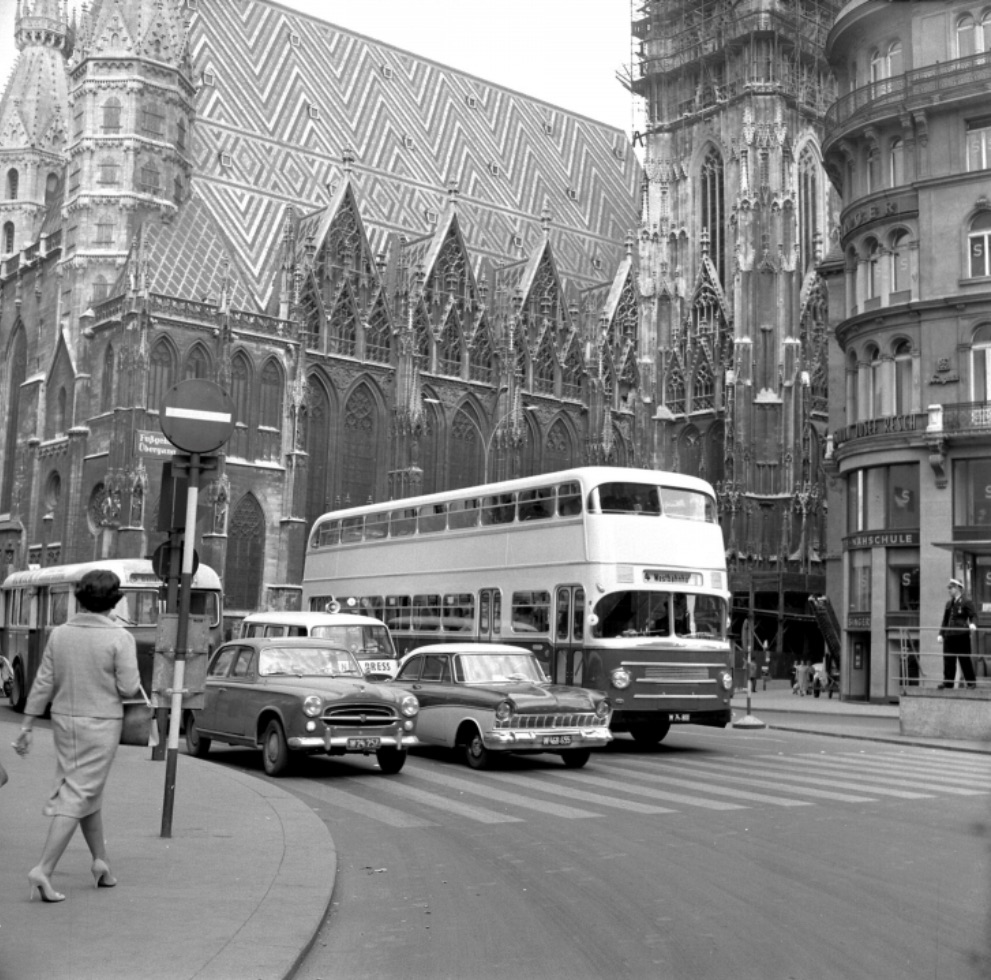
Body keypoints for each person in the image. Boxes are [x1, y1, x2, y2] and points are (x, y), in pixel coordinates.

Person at [13, 569, 141, 903]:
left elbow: (43, 681)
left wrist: (27, 724)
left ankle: (101, 863)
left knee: (86, 790)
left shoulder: (60, 634)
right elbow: (129, 687)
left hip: (63, 722)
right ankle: (43, 869)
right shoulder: (120, 638)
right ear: (115, 600)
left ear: (80, 598)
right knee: (80, 791)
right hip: (101, 724)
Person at [937, 578, 977, 689]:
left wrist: (973, 624)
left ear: (958, 588)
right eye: (949, 588)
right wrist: (941, 633)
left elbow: (973, 615)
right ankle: (948, 683)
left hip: (961, 635)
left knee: (964, 660)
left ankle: (971, 683)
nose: (949, 590)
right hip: (949, 636)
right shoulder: (949, 603)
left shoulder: (966, 601)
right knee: (948, 660)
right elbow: (945, 620)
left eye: (951, 587)